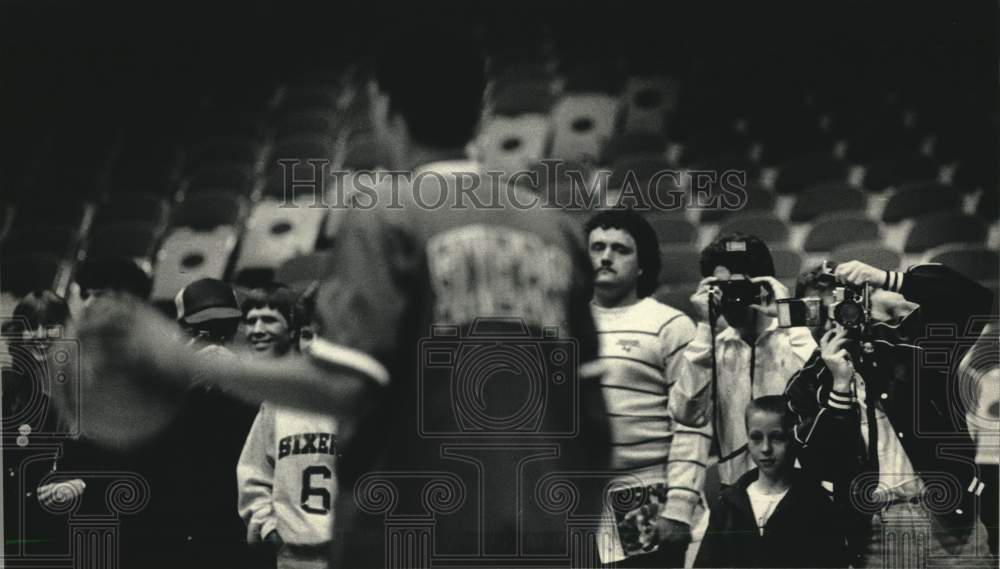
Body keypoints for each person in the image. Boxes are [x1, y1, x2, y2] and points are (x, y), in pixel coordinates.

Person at [72, 26, 611, 569]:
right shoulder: (554, 229)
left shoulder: (388, 216)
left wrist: (180, 354)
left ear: (382, 108)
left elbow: (346, 386)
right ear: (480, 105)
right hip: (544, 534)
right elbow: (594, 422)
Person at [786, 260, 996, 566]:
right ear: (804, 316)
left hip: (950, 519)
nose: (833, 319)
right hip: (875, 532)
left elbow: (972, 298)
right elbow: (817, 464)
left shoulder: (905, 346)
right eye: (819, 308)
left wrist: (889, 278)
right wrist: (839, 388)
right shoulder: (804, 386)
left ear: (861, 305)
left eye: (841, 305)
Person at [660, 232, 816, 553]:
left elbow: (822, 395)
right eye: (720, 288)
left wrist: (788, 313)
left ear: (763, 285)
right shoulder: (710, 349)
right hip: (739, 500)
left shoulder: (794, 337)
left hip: (799, 497)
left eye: (738, 287)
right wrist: (705, 328)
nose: (731, 297)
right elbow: (686, 413)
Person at [584, 209, 695, 567]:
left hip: (646, 497)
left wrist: (679, 506)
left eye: (620, 249)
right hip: (578, 502)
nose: (605, 256)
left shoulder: (670, 325)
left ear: (643, 264)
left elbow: (692, 423)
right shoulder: (563, 323)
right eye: (597, 247)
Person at [238, 284, 338, 569]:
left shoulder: (367, 401)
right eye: (307, 335)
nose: (314, 345)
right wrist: (268, 527)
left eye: (325, 335)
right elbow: (253, 474)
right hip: (294, 556)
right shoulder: (278, 403)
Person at [694, 395, 848, 568]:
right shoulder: (728, 504)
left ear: (793, 437)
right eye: (756, 438)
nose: (766, 448)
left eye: (777, 438)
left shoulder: (816, 503)